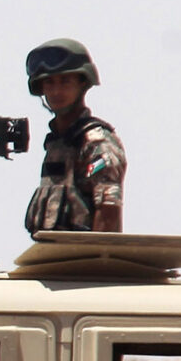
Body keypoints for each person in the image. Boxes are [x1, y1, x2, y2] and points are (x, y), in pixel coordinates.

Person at [23, 38, 125, 236]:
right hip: (53, 258)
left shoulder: (97, 141)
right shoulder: (58, 142)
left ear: (83, 83)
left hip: (82, 262)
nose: (56, 91)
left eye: (65, 81)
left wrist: (96, 262)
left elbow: (108, 209)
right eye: (49, 83)